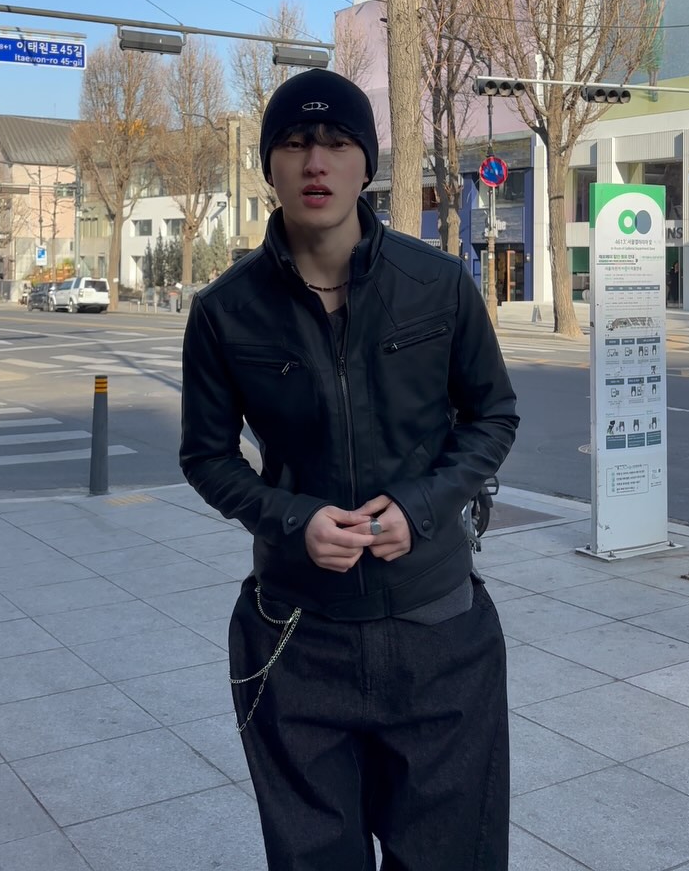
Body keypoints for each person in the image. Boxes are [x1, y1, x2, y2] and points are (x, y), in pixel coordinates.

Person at [180, 69, 519, 871]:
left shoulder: (437, 284)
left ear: (366, 162)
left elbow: (493, 416)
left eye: (337, 142)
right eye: (296, 143)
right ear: (270, 164)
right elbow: (206, 456)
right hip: (297, 636)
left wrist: (422, 506)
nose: (316, 162)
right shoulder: (225, 310)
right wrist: (293, 520)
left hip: (438, 628)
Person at [640, 0, 667, 100]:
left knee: (656, 53)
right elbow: (642, 6)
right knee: (648, 53)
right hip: (646, 22)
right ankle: (650, 85)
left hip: (656, 21)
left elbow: (662, 3)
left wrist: (657, 22)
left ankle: (655, 86)